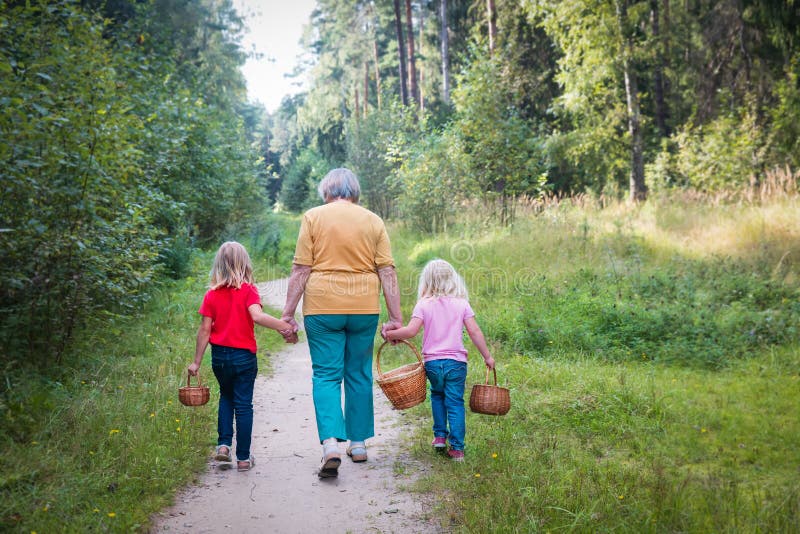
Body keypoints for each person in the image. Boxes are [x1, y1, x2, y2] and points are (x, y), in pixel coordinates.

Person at [281, 168, 403, 478]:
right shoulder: (373, 220)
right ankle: (359, 443)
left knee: (326, 375)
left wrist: (287, 314)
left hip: (322, 307)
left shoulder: (313, 217)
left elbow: (300, 269)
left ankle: (331, 445)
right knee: (358, 374)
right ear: (355, 191)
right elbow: (387, 271)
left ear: (327, 190)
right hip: (363, 307)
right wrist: (396, 318)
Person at [188, 241, 297, 472]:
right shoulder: (248, 290)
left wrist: (196, 361)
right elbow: (257, 316)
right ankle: (244, 459)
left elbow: (205, 330)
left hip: (219, 357)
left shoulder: (211, 295)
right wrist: (284, 327)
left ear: (219, 265)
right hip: (244, 357)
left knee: (226, 398)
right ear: (244, 263)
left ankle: (223, 446)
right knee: (244, 405)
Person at [384, 259, 495, 461]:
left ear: (426, 282)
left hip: (433, 364)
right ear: (452, 279)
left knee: (437, 395)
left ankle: (440, 436)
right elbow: (474, 331)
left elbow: (410, 331)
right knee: (455, 402)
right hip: (456, 364)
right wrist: (487, 356)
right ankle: (457, 448)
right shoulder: (462, 304)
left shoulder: (423, 305)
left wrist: (390, 334)